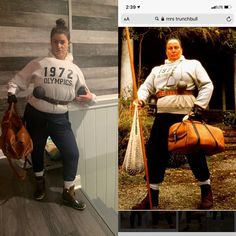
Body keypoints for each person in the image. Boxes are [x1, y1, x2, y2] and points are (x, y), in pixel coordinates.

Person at [7, 18, 96, 210]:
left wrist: (90, 97)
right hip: (36, 113)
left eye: (62, 41)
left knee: (72, 153)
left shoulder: (75, 69)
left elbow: (86, 92)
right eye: (55, 41)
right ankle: (39, 182)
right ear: (51, 43)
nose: (58, 45)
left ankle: (67, 192)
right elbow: (19, 79)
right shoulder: (39, 63)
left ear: (68, 44)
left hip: (60, 117)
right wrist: (11, 93)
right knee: (36, 150)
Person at [133, 38, 214, 210]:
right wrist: (140, 99)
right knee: (155, 154)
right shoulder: (158, 69)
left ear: (181, 49)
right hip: (162, 116)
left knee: (194, 153)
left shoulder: (193, 64)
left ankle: (206, 190)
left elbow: (207, 85)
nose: (173, 50)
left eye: (176, 47)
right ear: (166, 51)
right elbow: (146, 87)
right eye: (170, 47)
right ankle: (152, 196)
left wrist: (198, 108)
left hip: (186, 115)